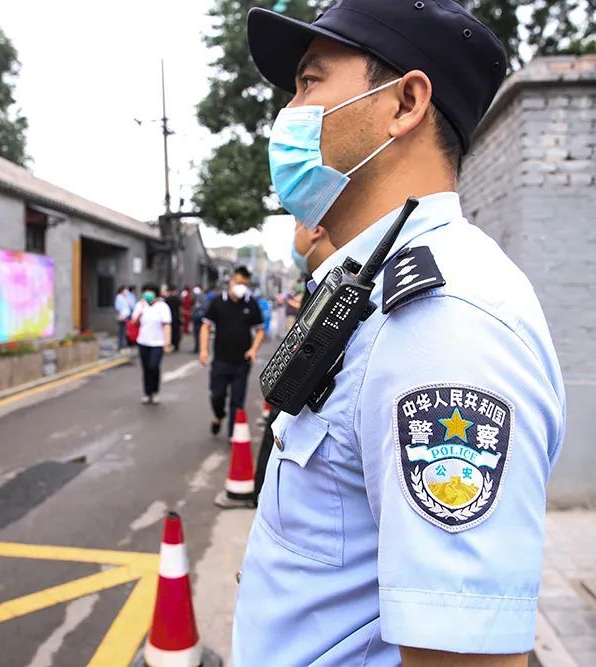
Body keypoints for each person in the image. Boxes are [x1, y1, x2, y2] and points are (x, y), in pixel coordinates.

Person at [234, 2, 566, 666]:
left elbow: (462, 657)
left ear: (404, 103)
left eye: (310, 81)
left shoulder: (443, 323)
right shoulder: (372, 284)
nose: (289, 114)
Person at [252, 221, 338, 506]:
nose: (295, 236)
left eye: (296, 226)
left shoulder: (335, 286)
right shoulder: (317, 281)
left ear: (315, 230)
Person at [199, 266, 264, 441]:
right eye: (239, 282)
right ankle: (218, 416)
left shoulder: (251, 304)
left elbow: (260, 330)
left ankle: (232, 434)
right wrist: (204, 350)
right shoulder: (217, 302)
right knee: (217, 395)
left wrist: (253, 349)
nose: (242, 287)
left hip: (241, 362)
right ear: (231, 281)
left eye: (246, 284)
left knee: (237, 400)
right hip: (220, 360)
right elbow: (206, 326)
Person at [130, 284, 172, 404]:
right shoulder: (140, 305)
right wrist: (140, 313)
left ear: (155, 293)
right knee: (146, 368)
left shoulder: (162, 307)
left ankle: (154, 391)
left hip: (157, 343)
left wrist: (167, 344)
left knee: (153, 367)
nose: (147, 294)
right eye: (145, 292)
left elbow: (166, 325)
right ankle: (147, 393)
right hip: (143, 341)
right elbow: (134, 322)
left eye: (150, 292)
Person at [163, 285, 183, 351]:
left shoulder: (167, 299)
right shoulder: (177, 299)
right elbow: (180, 308)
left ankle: (170, 344)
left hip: (169, 317)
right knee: (176, 332)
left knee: (170, 331)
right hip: (176, 317)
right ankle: (176, 345)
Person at [113, 286, 132, 350]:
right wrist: (122, 315)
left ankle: (124, 345)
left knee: (126, 330)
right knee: (122, 331)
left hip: (127, 315)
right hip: (122, 316)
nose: (127, 291)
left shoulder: (126, 297)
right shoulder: (119, 297)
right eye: (125, 290)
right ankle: (121, 345)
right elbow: (118, 307)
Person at [189, 286, 205, 353]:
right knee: (197, 335)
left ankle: (198, 348)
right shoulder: (199, 298)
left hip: (199, 319)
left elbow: (201, 309)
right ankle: (197, 348)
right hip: (197, 319)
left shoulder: (201, 299)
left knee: (198, 335)